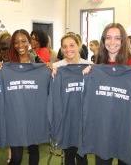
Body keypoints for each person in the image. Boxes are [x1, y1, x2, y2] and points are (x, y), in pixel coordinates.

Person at [83, 23, 131, 165]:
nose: (112, 42)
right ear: (103, 41)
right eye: (108, 37)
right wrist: (87, 77)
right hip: (103, 126)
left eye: (117, 38)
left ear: (123, 40)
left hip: (128, 126)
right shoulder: (98, 64)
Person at [52, 33, 91, 165]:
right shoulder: (57, 67)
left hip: (84, 118)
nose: (68, 49)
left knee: (82, 156)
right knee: (69, 154)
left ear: (79, 45)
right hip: (66, 118)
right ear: (61, 49)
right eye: (64, 46)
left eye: (72, 45)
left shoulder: (90, 66)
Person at [7, 29, 39, 165]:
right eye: (16, 42)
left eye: (23, 41)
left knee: (34, 152)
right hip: (15, 116)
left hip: (33, 114)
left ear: (29, 42)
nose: (20, 45)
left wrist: (50, 69)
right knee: (16, 157)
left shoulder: (38, 63)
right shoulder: (7, 65)